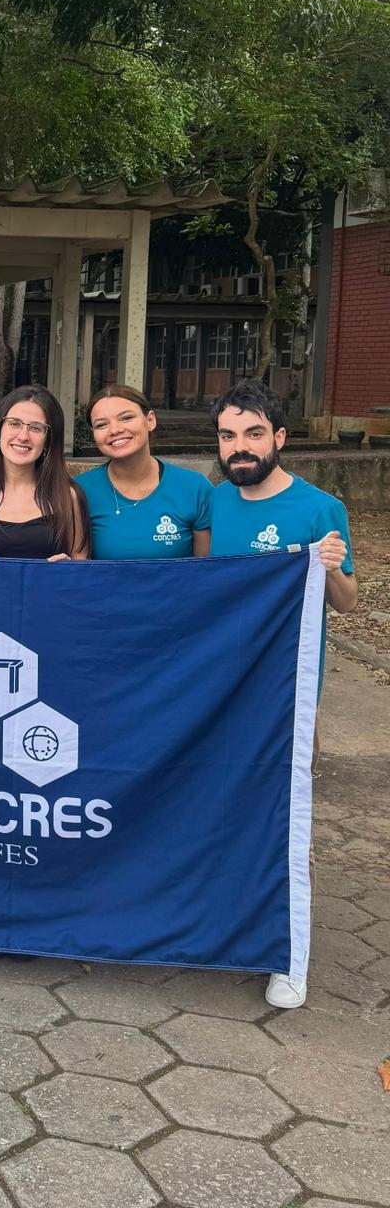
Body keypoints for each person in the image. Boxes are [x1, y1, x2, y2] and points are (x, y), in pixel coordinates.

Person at [209, 379, 356, 1011]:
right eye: (227, 436)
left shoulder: (319, 508)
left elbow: (346, 603)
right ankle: (226, 924)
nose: (239, 447)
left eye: (252, 434)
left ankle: (288, 953)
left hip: (289, 699)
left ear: (279, 438)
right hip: (217, 693)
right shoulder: (214, 504)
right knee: (221, 808)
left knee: (288, 818)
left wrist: (328, 569)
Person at [0, 385, 90, 561]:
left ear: (48, 441)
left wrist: (69, 570)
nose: (23, 436)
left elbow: (82, 568)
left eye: (36, 428)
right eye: (14, 424)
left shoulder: (69, 496)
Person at [75, 384, 213, 559]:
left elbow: (205, 571)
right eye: (101, 425)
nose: (115, 430)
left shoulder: (194, 488)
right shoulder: (80, 491)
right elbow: (77, 568)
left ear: (150, 421)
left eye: (126, 418)